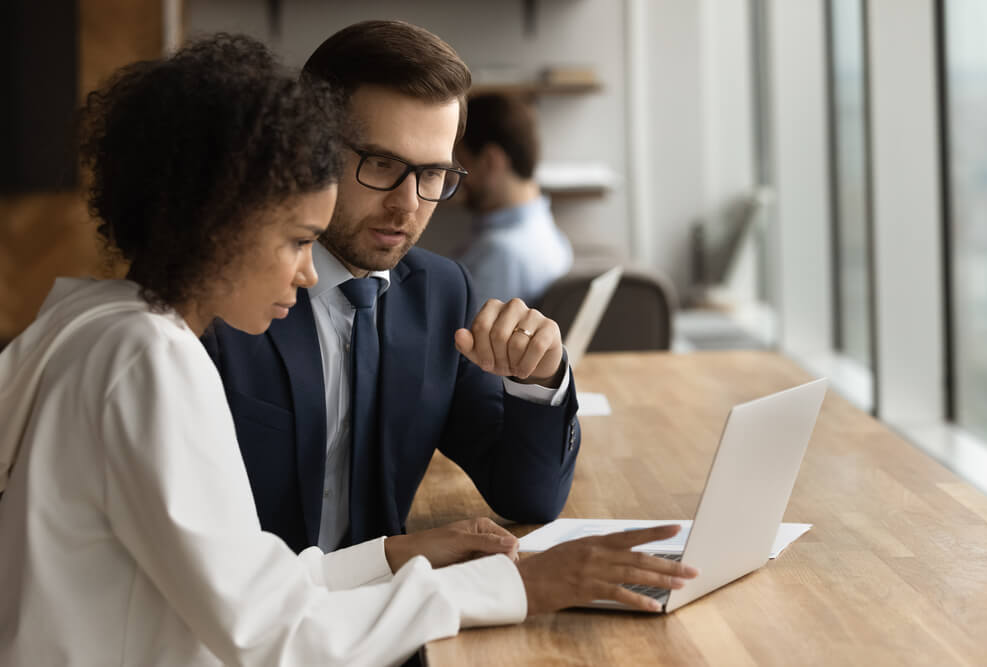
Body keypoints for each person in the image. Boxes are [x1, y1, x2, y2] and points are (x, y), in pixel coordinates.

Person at [0, 35, 698, 665]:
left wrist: (391, 556)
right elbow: (271, 633)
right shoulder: (150, 361)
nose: (308, 273)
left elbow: (246, 580)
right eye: (297, 239)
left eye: (433, 175)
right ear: (214, 222)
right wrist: (518, 584)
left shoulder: (100, 324)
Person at [204, 20, 582, 554]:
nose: (408, 204)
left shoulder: (443, 292)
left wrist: (539, 379)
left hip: (388, 613)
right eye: (382, 164)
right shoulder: (223, 296)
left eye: (433, 174)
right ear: (309, 148)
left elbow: (529, 496)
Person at [455, 92, 573, 305]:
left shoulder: (498, 255)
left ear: (490, 160)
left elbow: (456, 336)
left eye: (462, 163)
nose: (459, 179)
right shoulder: (552, 236)